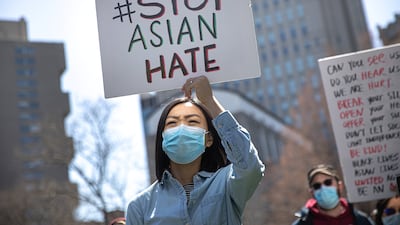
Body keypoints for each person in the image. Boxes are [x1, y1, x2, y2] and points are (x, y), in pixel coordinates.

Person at [125, 76, 265, 225]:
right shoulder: (139, 207)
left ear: (209, 139)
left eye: (192, 121)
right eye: (172, 123)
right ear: (163, 139)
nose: (181, 129)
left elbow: (250, 167)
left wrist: (209, 101)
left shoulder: (226, 183)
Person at [292, 164, 374, 225]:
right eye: (317, 186)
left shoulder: (361, 221)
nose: (323, 188)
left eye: (328, 182)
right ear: (312, 192)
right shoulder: (302, 223)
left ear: (340, 186)